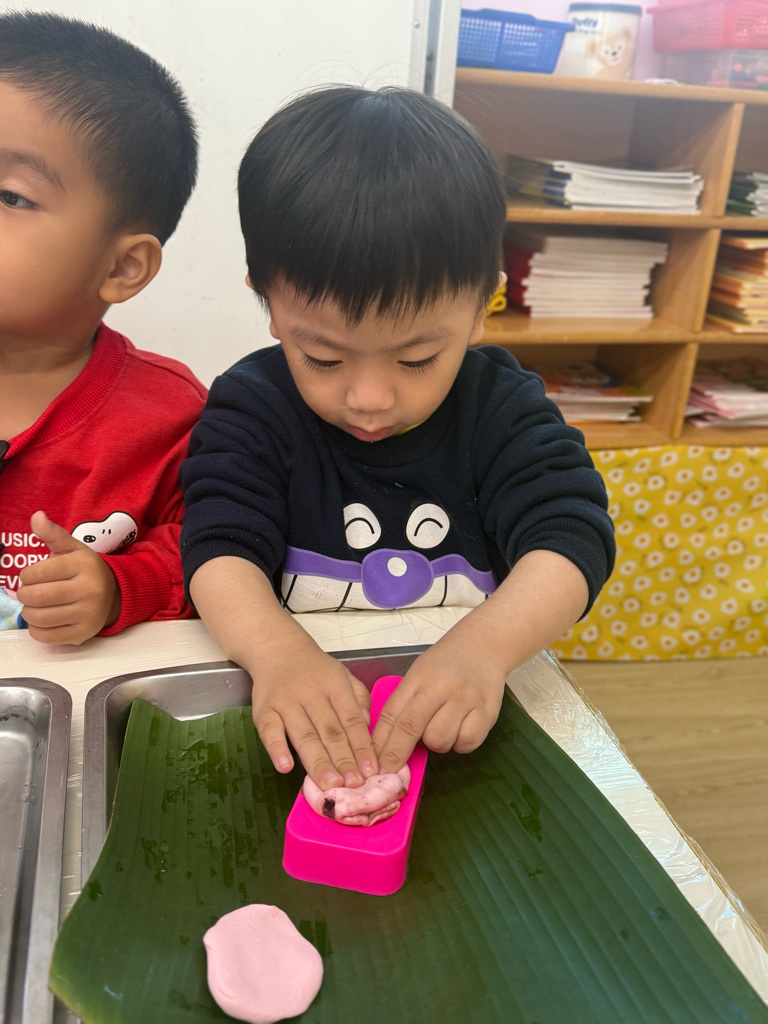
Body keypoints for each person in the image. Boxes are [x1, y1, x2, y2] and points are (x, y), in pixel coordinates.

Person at [180, 87, 615, 792]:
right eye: (323, 357)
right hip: (301, 711)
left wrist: (485, 648)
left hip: (471, 710)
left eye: (416, 359)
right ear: (269, 301)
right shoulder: (253, 406)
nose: (369, 398)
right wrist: (277, 655)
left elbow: (571, 538)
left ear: (482, 305)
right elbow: (217, 547)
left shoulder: (499, 407)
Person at [0, 12, 205, 645]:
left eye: (10, 196)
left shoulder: (170, 417)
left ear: (121, 267)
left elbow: (216, 548)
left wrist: (118, 586)